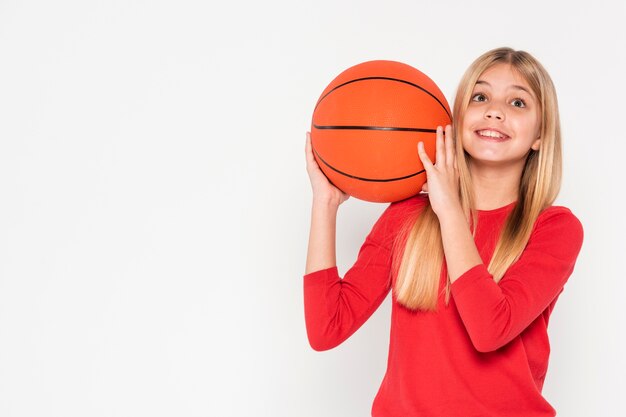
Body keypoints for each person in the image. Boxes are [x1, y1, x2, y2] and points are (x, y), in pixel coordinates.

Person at [302, 47, 584, 417]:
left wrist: (449, 209)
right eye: (480, 96)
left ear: (540, 135)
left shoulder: (554, 228)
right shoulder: (408, 215)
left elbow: (490, 329)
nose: (494, 110)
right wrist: (325, 204)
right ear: (457, 117)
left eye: (518, 102)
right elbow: (327, 328)